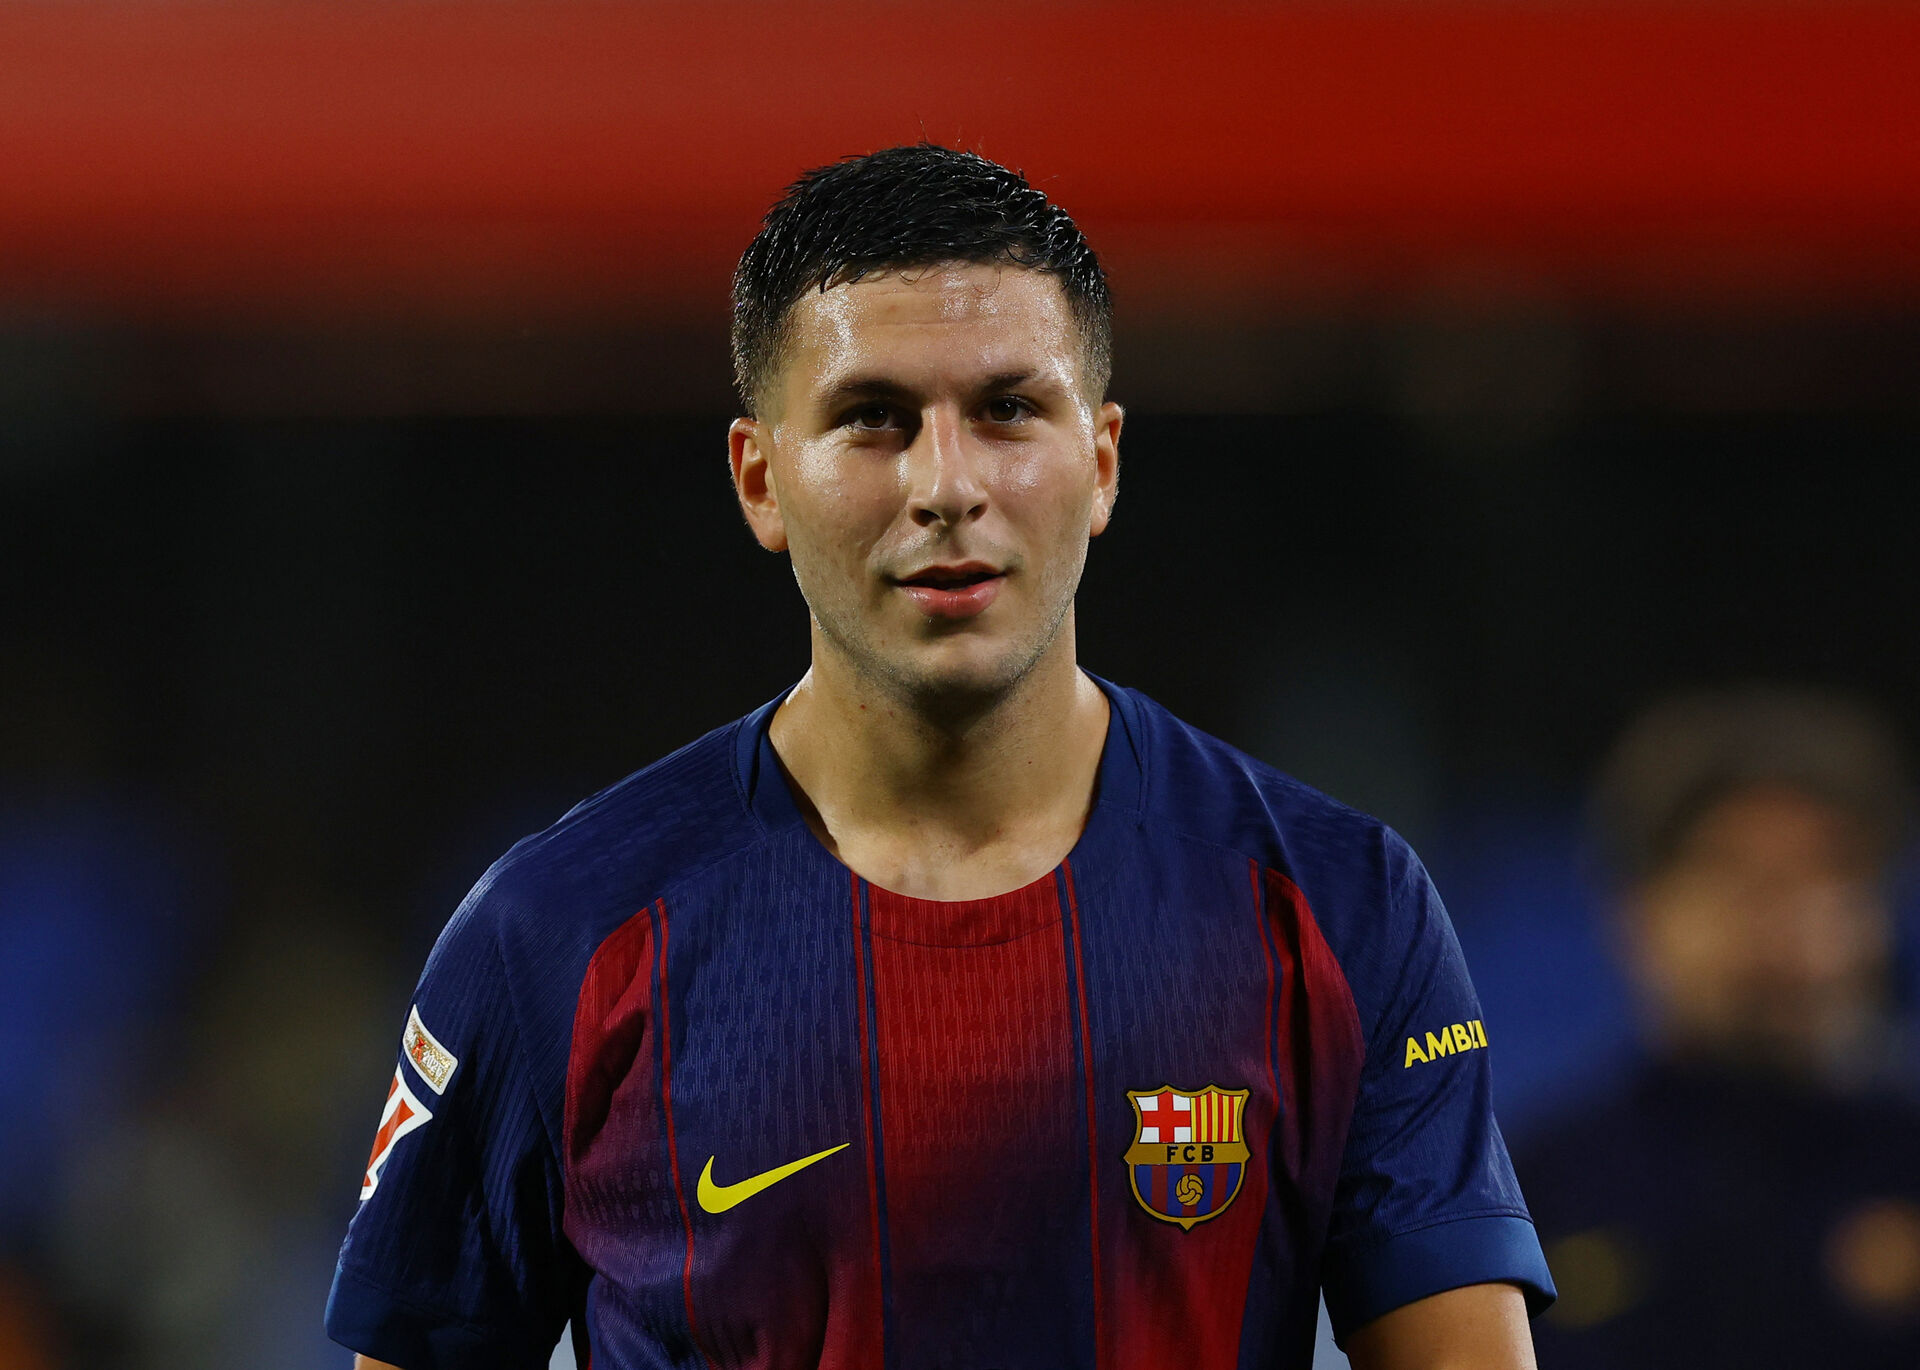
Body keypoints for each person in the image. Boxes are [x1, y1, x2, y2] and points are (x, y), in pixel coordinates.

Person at [326, 144, 1553, 1370]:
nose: (947, 483)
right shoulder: (555, 932)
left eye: (1008, 409)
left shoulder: (1339, 905)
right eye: (875, 418)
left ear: (1102, 463)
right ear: (760, 479)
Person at [1518, 687, 1920, 1369]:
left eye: (1825, 873)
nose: (1784, 921)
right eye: (1735, 872)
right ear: (1637, 912)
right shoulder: (1530, 1196)